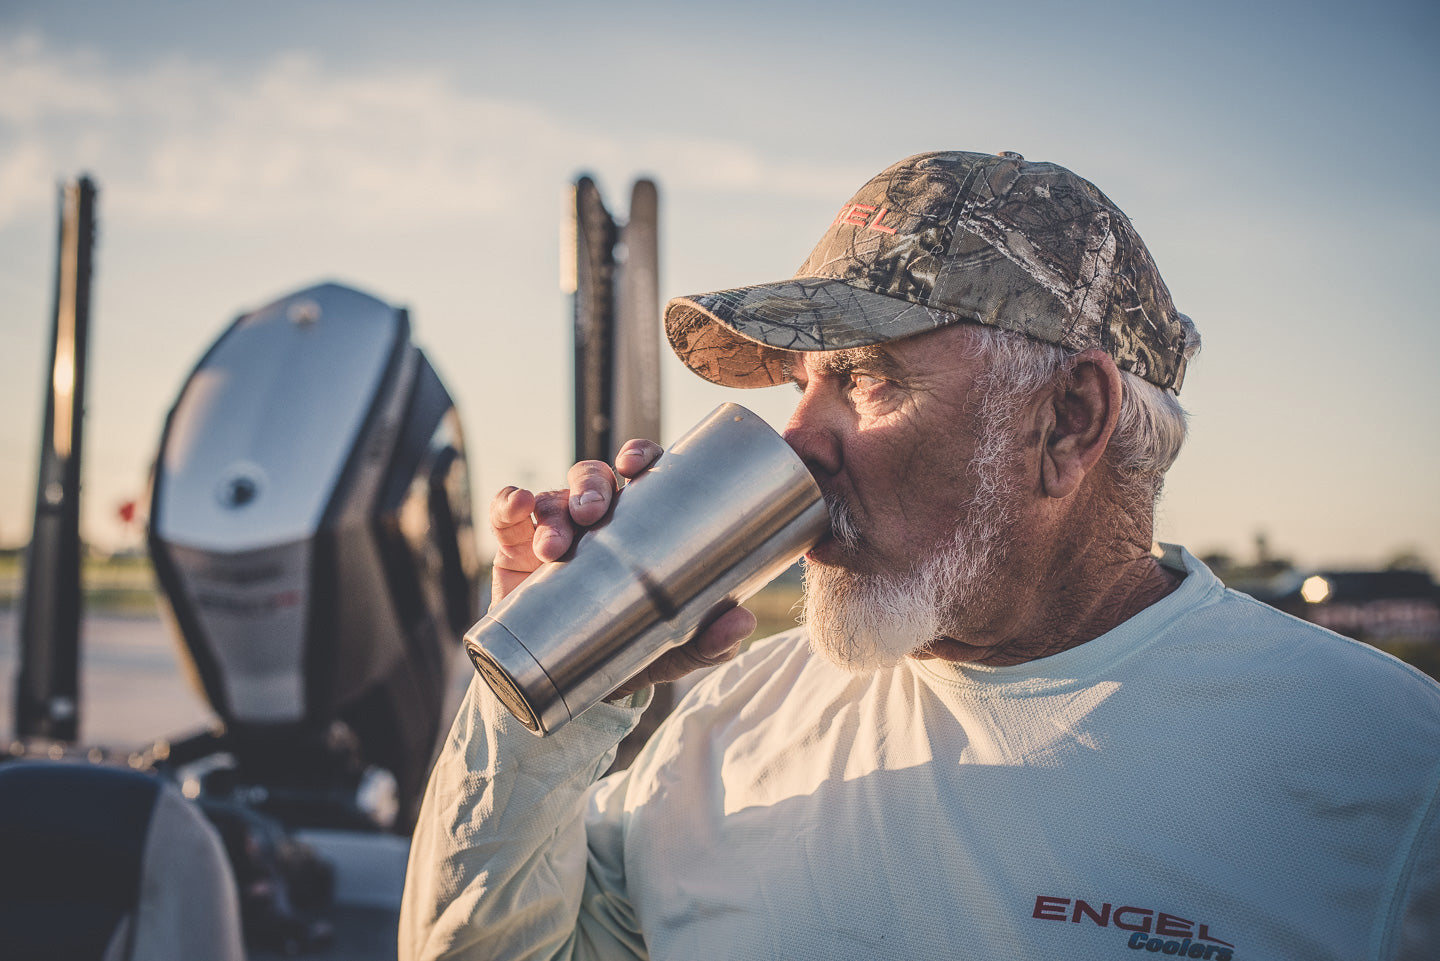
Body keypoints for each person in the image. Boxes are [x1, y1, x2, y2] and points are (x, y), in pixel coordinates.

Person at [399, 150, 1440, 960]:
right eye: (798, 381)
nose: (797, 437)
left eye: (863, 378)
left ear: (1070, 421)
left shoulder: (1386, 768)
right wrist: (545, 690)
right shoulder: (724, 732)